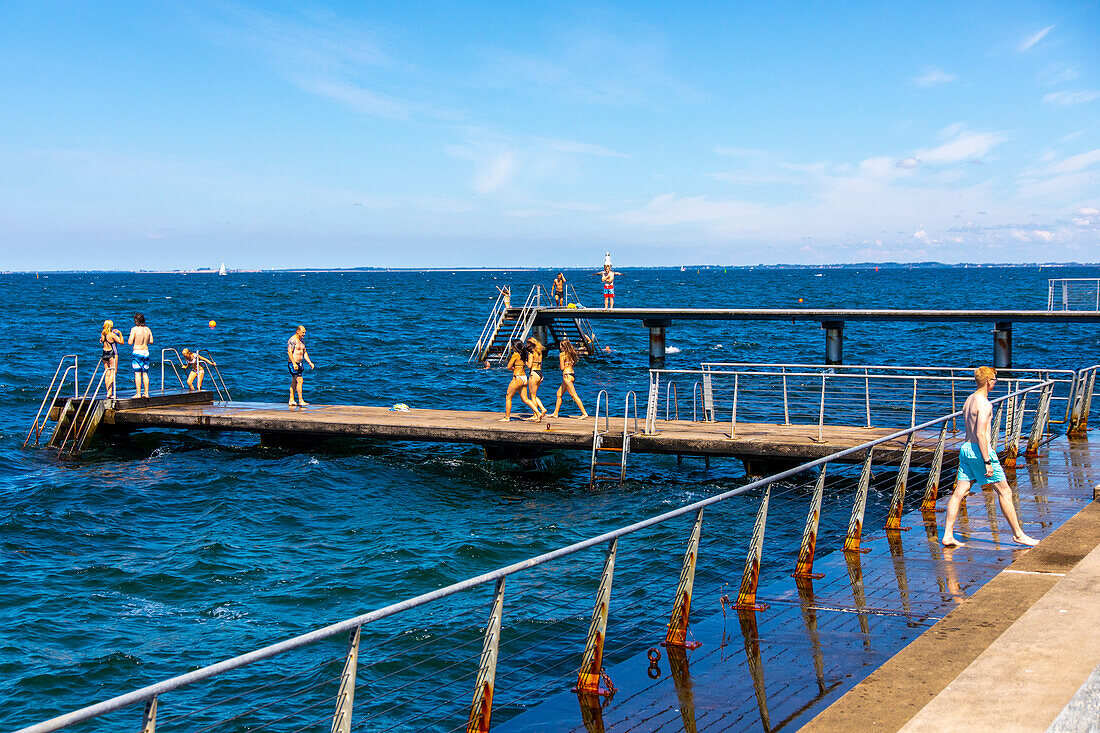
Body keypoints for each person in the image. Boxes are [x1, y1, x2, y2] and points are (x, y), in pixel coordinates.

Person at [942, 366, 1039, 548]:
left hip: (966, 449)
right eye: (995, 380)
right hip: (980, 451)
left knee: (958, 493)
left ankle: (948, 535)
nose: (995, 383)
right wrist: (987, 461)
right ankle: (1018, 535)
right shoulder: (985, 404)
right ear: (989, 382)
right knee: (1005, 492)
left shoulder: (969, 400)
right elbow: (981, 434)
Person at [499, 339, 541, 421]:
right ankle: (538, 413)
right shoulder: (525, 354)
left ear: (514, 346)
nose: (511, 347)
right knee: (525, 399)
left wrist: (514, 369)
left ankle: (507, 417)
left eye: (512, 345)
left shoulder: (515, 354)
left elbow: (508, 367)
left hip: (517, 378)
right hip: (524, 378)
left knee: (508, 397)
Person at [550, 337, 589, 418]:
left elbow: (562, 368)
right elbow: (573, 364)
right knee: (559, 394)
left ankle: (584, 413)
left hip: (566, 376)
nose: (560, 347)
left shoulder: (562, 355)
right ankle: (555, 413)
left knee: (574, 395)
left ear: (564, 347)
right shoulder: (572, 353)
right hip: (571, 374)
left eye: (561, 346)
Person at [287, 325, 315, 408]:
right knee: (300, 380)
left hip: (300, 363)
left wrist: (309, 362)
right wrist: (294, 363)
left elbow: (304, 352)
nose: (304, 334)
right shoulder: (292, 340)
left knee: (294, 381)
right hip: (293, 363)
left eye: (305, 333)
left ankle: (291, 400)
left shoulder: (302, 340)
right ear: (297, 331)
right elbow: (289, 352)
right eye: (303, 333)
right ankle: (300, 400)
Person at [127, 313, 153, 398]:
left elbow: (130, 342)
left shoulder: (134, 329)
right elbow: (151, 341)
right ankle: (146, 393)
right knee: (145, 373)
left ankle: (138, 394)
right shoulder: (147, 329)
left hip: (137, 351)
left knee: (137, 373)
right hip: (145, 351)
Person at [98, 320, 123, 398]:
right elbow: (121, 342)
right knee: (113, 372)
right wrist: (120, 334)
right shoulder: (112, 335)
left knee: (107, 373)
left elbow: (101, 341)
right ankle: (109, 393)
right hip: (112, 354)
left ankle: (108, 392)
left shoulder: (103, 334)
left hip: (104, 354)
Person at [525, 337, 549, 418]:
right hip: (540, 373)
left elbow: (529, 365)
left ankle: (535, 414)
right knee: (533, 395)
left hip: (534, 373)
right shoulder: (539, 353)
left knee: (532, 396)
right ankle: (542, 408)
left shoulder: (531, 354)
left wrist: (525, 359)